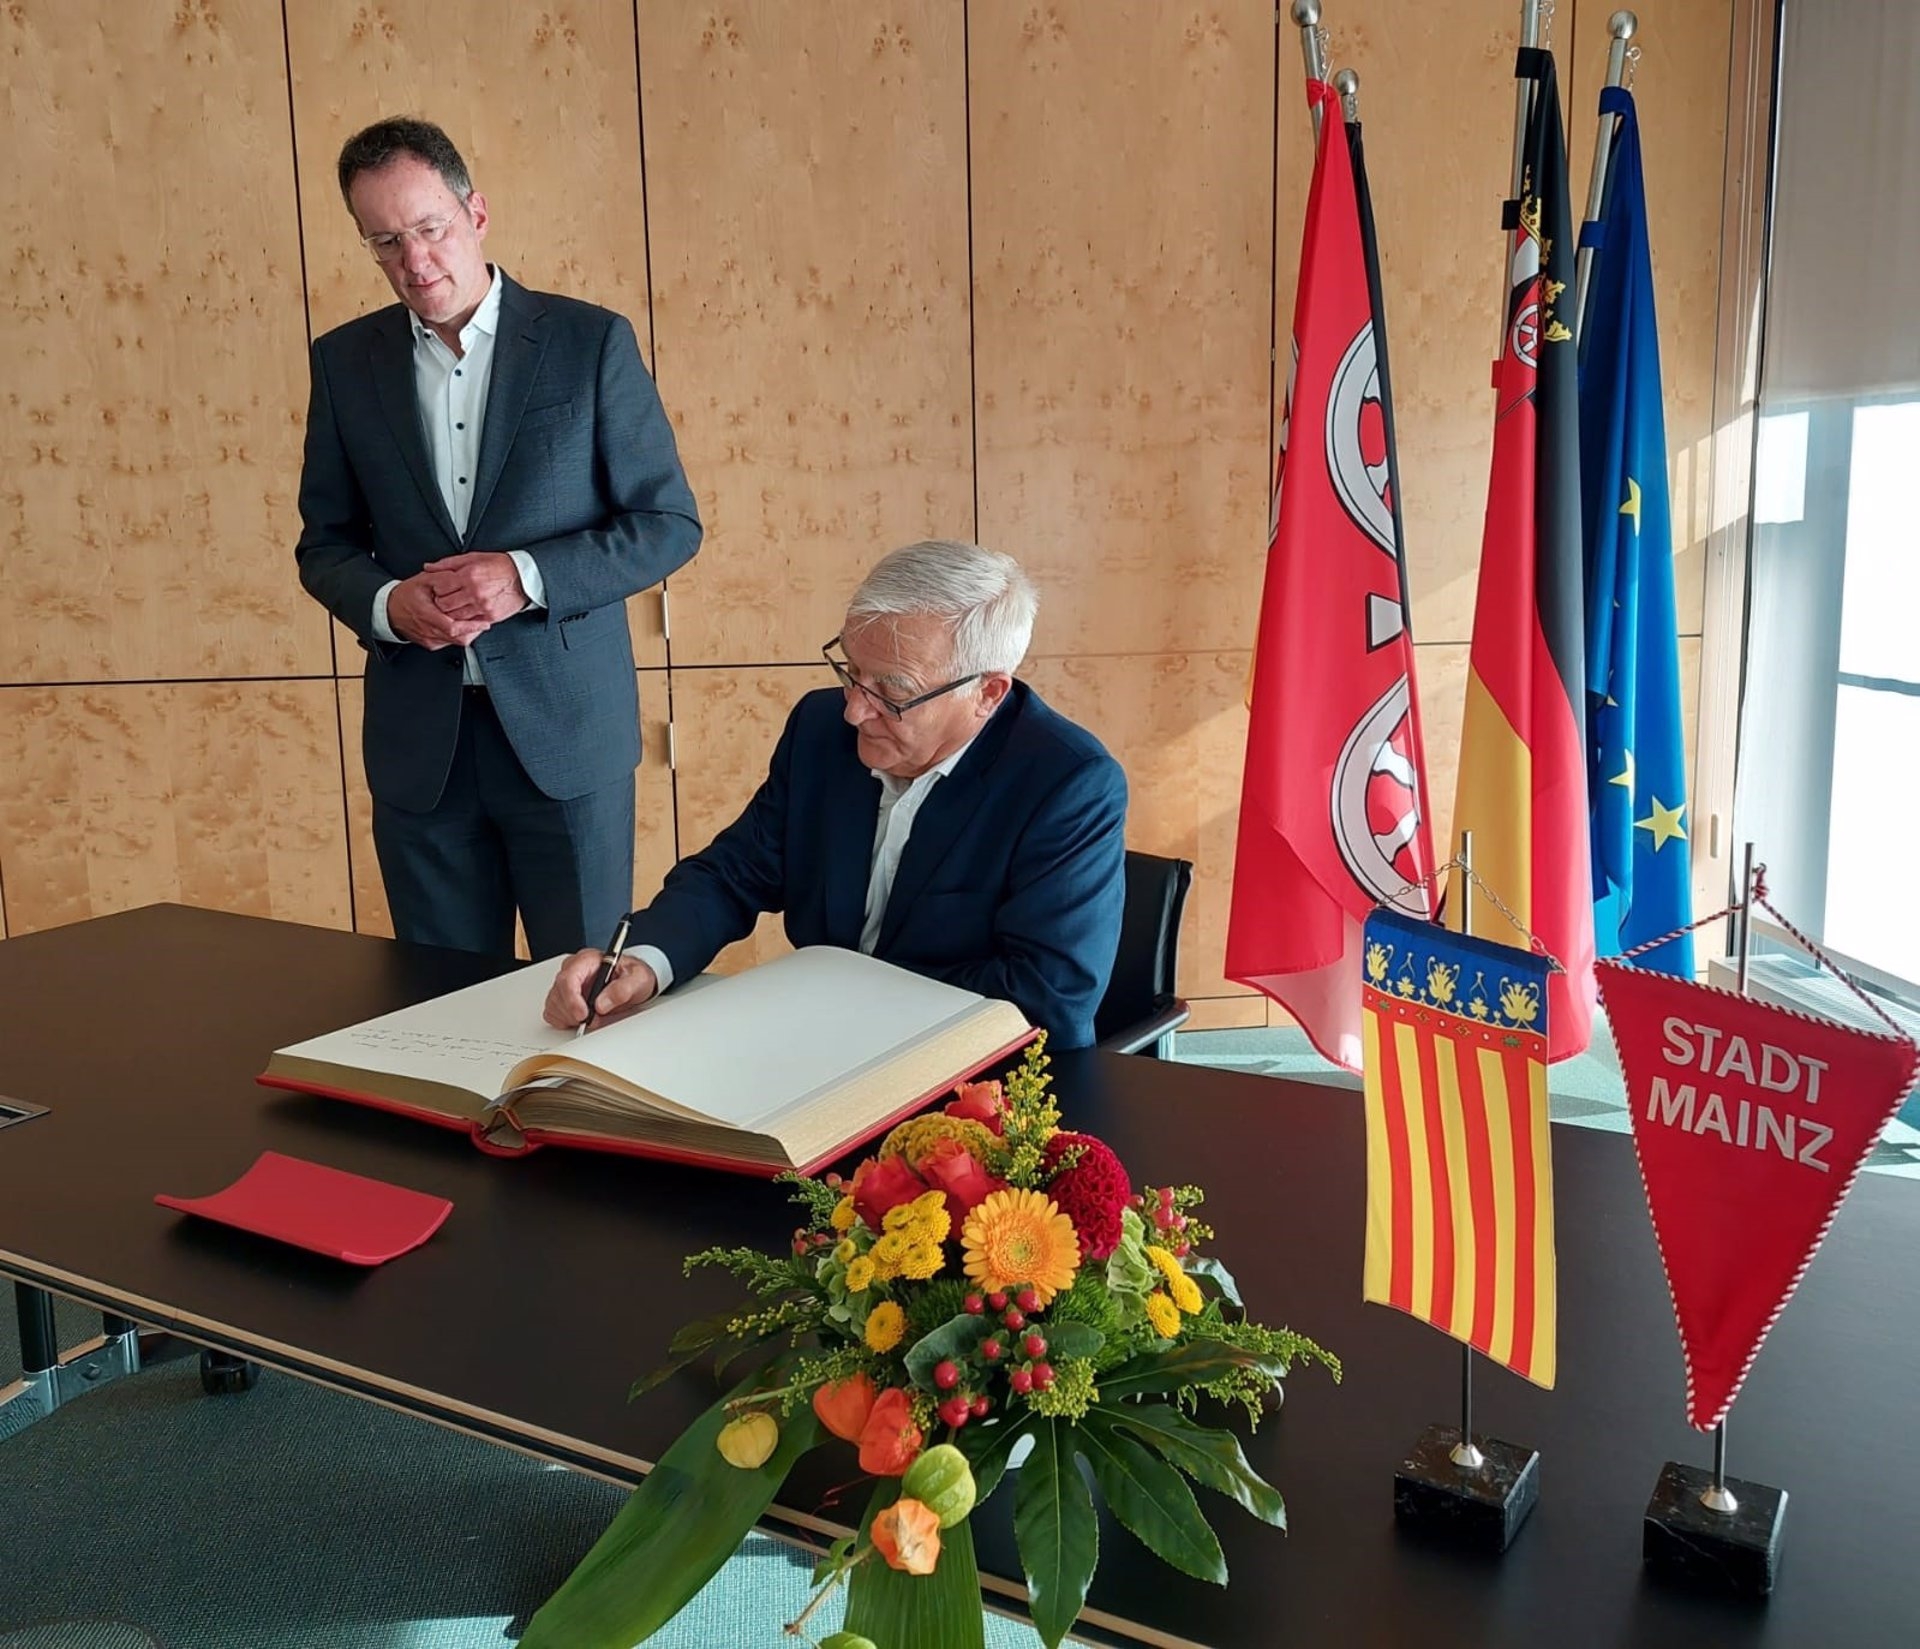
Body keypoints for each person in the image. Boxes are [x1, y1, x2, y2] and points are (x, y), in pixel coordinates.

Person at [295, 117, 701, 959]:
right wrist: (388, 603)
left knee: (581, 1005)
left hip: (566, 738)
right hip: (422, 751)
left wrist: (526, 576)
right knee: (442, 1014)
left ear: (476, 213)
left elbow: (667, 525)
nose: (415, 261)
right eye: (385, 241)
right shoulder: (344, 363)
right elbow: (324, 542)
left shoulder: (590, 342)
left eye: (431, 228)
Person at [543, 540, 1127, 1048]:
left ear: (987, 693)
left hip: (978, 1080)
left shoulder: (1067, 783)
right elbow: (734, 873)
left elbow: (1045, 996)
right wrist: (644, 961)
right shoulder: (819, 729)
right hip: (820, 1049)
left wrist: (832, 1008)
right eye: (850, 671)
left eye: (892, 692)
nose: (854, 710)